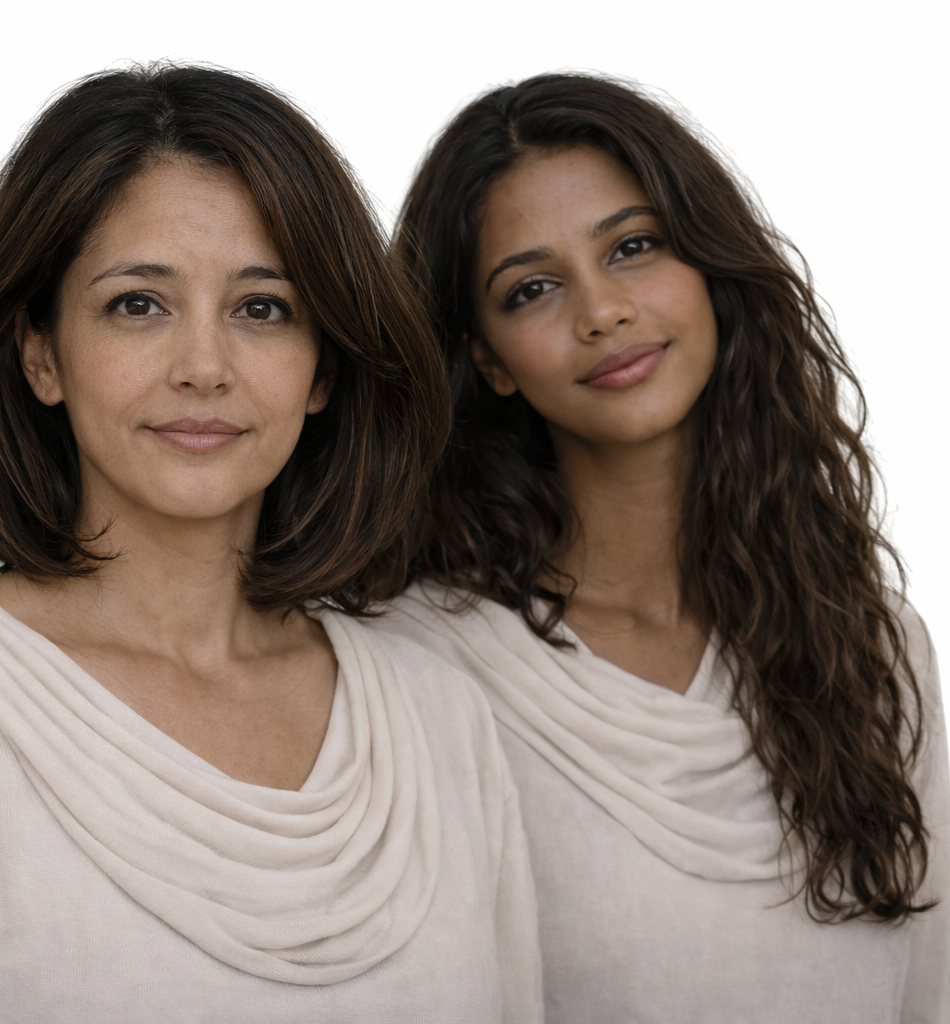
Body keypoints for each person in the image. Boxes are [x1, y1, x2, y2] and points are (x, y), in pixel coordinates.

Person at [0, 64, 543, 1023]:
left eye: (263, 309)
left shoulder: (441, 718)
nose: (204, 367)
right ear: (41, 353)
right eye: (139, 304)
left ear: (323, 367)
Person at [380, 72, 948, 1022]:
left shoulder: (878, 644)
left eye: (634, 247)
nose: (601, 311)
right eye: (532, 288)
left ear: (710, 273)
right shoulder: (412, 666)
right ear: (488, 362)